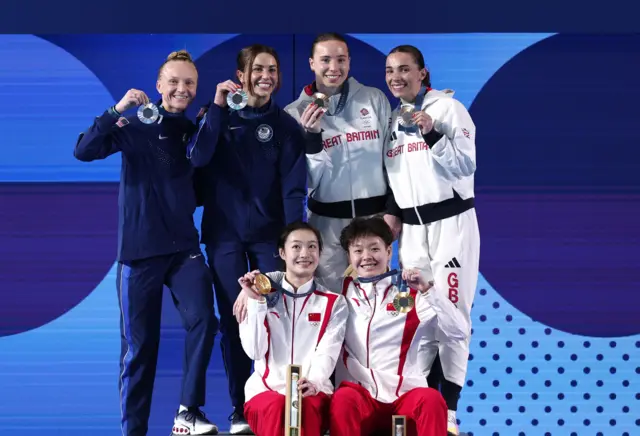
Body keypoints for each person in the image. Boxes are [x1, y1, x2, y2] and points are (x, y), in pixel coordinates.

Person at [73, 50, 219, 436]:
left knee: (205, 319)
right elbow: (84, 150)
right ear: (158, 85)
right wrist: (114, 110)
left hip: (183, 249)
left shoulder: (193, 133)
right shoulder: (133, 122)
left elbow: (200, 188)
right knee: (140, 351)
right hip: (139, 255)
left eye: (189, 83)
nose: (181, 89)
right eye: (173, 81)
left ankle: (188, 411)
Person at [191, 44, 307, 434]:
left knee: (274, 318)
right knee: (234, 320)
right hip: (224, 237)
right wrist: (218, 108)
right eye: (257, 69)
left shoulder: (286, 126)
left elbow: (293, 189)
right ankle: (241, 408)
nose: (266, 76)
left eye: (272, 70)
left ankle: (270, 403)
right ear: (241, 74)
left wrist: (292, 241)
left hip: (267, 239)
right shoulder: (216, 116)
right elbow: (198, 158)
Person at [383, 44, 480, 436]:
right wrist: (392, 218)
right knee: (416, 315)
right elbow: (397, 178)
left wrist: (432, 132)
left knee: (451, 315)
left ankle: (450, 411)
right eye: (390, 71)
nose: (396, 77)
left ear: (423, 73)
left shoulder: (447, 109)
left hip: (451, 225)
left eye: (405, 69)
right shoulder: (392, 119)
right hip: (413, 233)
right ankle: (420, 403)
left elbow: (466, 163)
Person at [329, 216, 469, 436]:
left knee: (431, 399)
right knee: (343, 399)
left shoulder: (410, 294)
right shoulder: (340, 293)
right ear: (349, 256)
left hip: (405, 397)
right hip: (361, 397)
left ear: (389, 251)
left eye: (374, 248)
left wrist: (427, 291)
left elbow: (459, 332)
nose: (366, 257)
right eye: (358, 251)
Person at [284, 32, 397, 293]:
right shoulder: (294, 113)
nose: (334, 68)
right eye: (325, 60)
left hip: (375, 219)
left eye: (341, 59)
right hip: (326, 225)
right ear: (311, 63)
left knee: (377, 299)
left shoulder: (373, 98)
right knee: (332, 301)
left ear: (349, 62)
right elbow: (305, 181)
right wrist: (312, 138)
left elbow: (392, 159)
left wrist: (393, 210)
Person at [237, 221, 348, 436]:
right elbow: (254, 352)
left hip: (314, 392)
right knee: (279, 408)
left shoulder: (334, 303)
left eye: (312, 247)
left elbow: (328, 351)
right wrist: (257, 303)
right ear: (282, 252)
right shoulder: (256, 294)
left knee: (304, 410)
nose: (304, 253)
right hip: (266, 392)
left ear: (320, 253)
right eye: (296, 246)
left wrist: (313, 383)